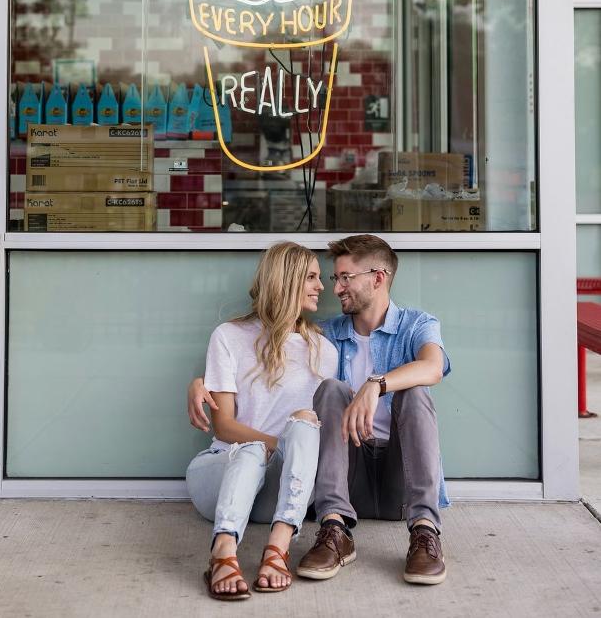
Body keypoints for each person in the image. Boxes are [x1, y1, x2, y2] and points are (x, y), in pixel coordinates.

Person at [189, 233, 451, 586]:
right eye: (328, 278)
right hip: (331, 472)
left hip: (391, 475)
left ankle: (425, 532)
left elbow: (433, 367)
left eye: (345, 278)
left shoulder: (406, 327)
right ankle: (329, 528)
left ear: (378, 277)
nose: (333, 287)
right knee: (322, 397)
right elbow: (270, 363)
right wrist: (201, 382)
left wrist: (378, 383)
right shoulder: (326, 337)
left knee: (415, 391)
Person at [186, 241, 338, 601]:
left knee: (305, 423)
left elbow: (313, 437)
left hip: (284, 489)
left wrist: (291, 441)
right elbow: (224, 427)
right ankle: (223, 552)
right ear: (286, 281)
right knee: (252, 450)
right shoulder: (229, 337)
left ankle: (278, 549)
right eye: (312, 278)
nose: (322, 286)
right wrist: (276, 444)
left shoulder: (324, 351)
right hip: (224, 472)